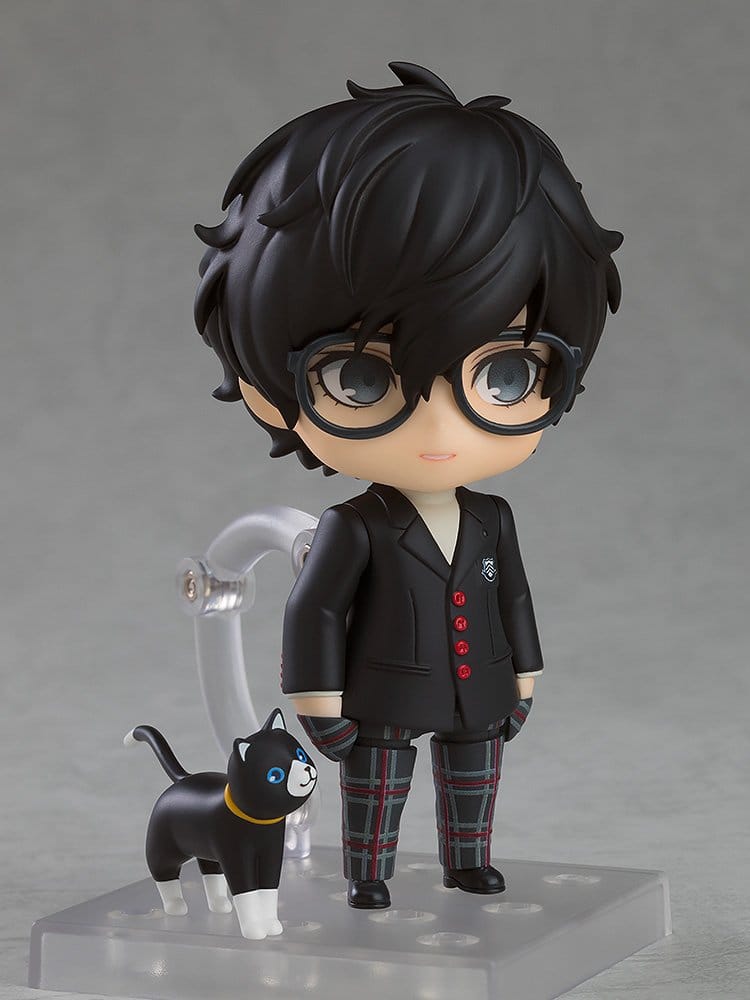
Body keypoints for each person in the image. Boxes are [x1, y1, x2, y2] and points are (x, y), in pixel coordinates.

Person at [193, 61, 622, 909]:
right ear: (265, 391)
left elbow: (515, 597)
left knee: (473, 783)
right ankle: (369, 873)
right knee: (377, 790)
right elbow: (316, 611)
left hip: (480, 690)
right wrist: (319, 705)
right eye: (360, 378)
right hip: (381, 695)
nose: (440, 428)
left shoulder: (493, 517)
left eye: (504, 375)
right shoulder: (353, 527)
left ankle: (468, 862)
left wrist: (525, 677)